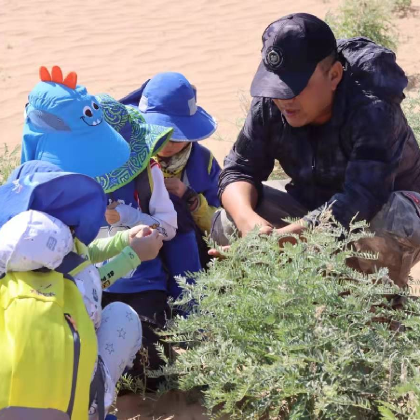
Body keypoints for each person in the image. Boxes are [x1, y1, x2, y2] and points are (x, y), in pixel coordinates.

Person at [211, 13, 420, 288]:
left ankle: (380, 308)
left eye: (294, 87)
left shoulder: (372, 106)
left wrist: (285, 240)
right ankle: (290, 308)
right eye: (276, 87)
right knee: (228, 220)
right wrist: (252, 227)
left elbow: (362, 198)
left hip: (387, 209)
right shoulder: (271, 103)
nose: (283, 99)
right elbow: (239, 170)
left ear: (333, 75)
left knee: (388, 220)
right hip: (311, 207)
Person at [0, 161, 163, 420]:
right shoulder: (75, 265)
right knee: (121, 316)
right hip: (70, 409)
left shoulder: (6, 258)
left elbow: (83, 253)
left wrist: (122, 240)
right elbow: (92, 286)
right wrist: (133, 256)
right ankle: (97, 408)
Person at [120, 72, 221, 269]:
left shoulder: (203, 163)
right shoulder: (127, 156)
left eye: (176, 137)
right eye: (160, 134)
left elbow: (221, 225)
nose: (167, 144)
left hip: (192, 252)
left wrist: (191, 199)